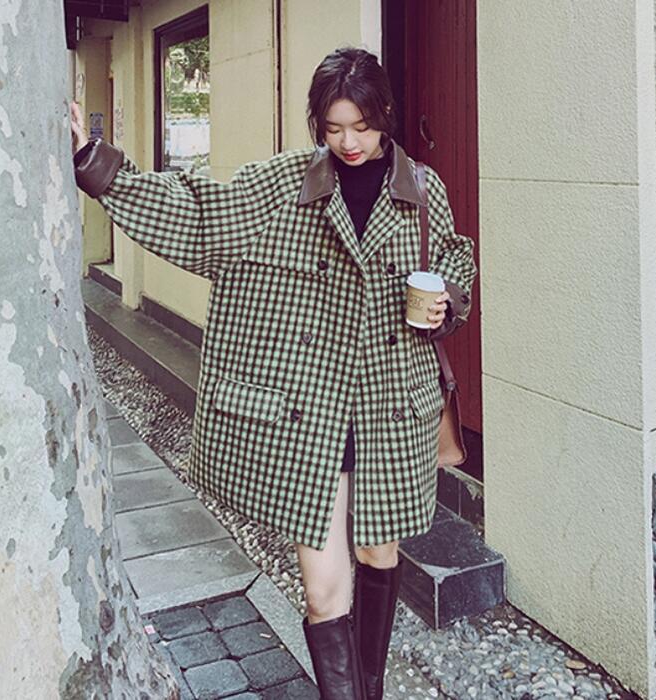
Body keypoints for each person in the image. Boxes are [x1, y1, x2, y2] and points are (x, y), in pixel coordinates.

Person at [71, 46, 477, 700]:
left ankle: (369, 688)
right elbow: (197, 213)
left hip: (392, 410)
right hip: (312, 416)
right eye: (334, 128)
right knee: (322, 591)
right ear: (317, 123)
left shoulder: (423, 192)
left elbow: (455, 260)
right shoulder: (281, 186)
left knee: (379, 554)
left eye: (363, 126)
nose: (349, 142)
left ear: (385, 116)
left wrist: (447, 302)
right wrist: (99, 167)